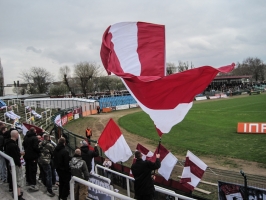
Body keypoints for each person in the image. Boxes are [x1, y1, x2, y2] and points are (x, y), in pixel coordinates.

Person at [5, 130, 25, 200]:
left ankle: (17, 193)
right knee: (18, 180)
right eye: (17, 134)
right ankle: (18, 195)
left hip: (11, 164)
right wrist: (19, 164)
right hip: (15, 165)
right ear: (15, 135)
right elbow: (15, 156)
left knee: (15, 179)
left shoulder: (8, 143)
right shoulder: (12, 145)